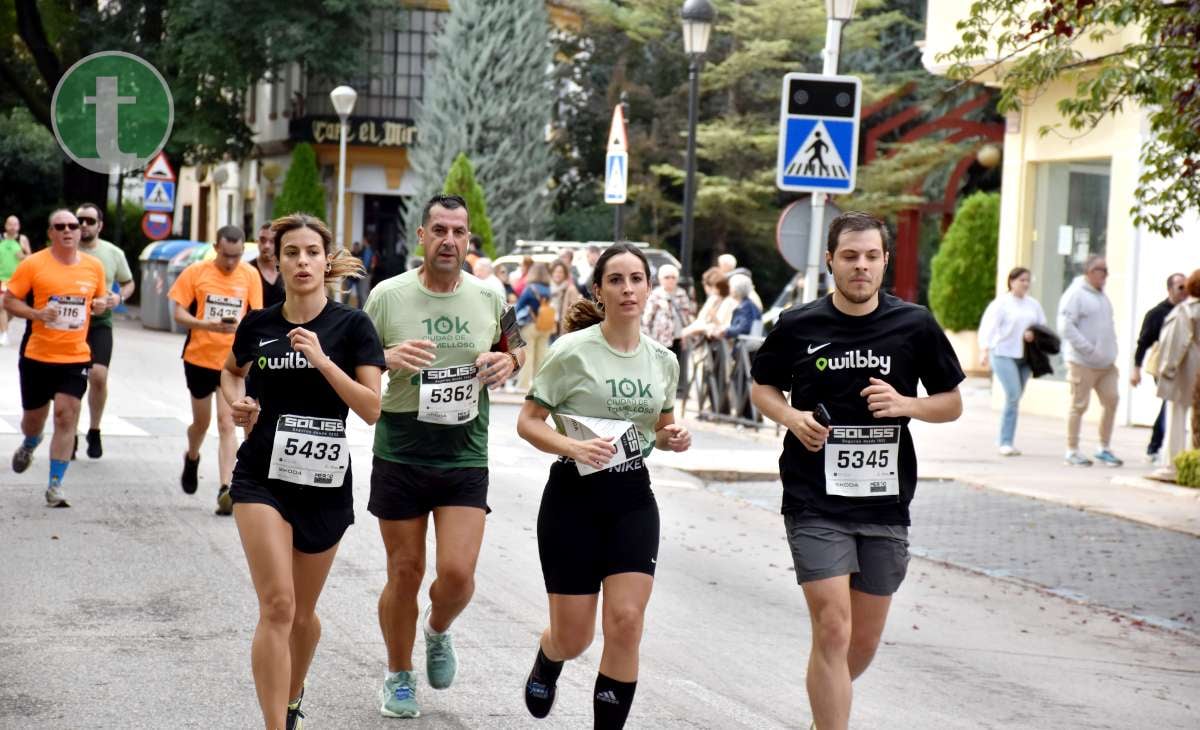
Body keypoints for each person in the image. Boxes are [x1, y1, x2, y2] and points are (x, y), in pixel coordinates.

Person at [749, 211, 964, 730]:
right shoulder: (799, 325)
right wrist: (792, 417)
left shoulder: (914, 324)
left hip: (885, 502)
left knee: (860, 645)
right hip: (814, 498)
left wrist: (905, 405)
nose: (860, 266)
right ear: (830, 261)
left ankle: (824, 713)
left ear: (885, 261)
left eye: (871, 256)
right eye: (850, 256)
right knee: (833, 628)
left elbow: (952, 402)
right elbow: (762, 388)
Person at [516, 243, 691, 729]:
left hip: (632, 499)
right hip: (573, 499)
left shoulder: (663, 360)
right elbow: (528, 422)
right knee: (575, 638)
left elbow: (659, 429)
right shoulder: (571, 351)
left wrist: (673, 437)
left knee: (626, 623)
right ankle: (550, 656)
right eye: (616, 280)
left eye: (637, 279)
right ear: (599, 290)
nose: (627, 289)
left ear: (649, 289)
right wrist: (572, 448)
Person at [221, 213, 384, 730]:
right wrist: (240, 403)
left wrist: (322, 360)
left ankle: (291, 697)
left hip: (323, 483)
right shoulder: (259, 325)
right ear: (278, 260)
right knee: (277, 604)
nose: (302, 261)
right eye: (291, 252)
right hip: (261, 476)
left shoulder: (353, 327)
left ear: (325, 260)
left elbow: (371, 408)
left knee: (303, 619)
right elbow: (229, 375)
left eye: (312, 252)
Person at [363, 194, 522, 719]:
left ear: (468, 240)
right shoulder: (387, 296)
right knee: (404, 573)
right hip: (402, 450)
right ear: (421, 238)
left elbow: (517, 348)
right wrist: (384, 357)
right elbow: (356, 363)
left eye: (459, 232)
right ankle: (398, 674)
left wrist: (506, 362)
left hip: (463, 453)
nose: (450, 240)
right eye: (440, 230)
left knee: (456, 575)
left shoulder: (490, 297)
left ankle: (437, 629)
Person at [4, 210, 108, 507]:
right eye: (60, 226)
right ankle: (30, 442)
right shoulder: (33, 264)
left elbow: (98, 303)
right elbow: (9, 300)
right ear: (50, 232)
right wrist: (37, 313)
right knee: (32, 421)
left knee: (66, 415)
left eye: (73, 226)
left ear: (79, 232)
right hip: (38, 355)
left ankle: (55, 485)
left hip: (75, 356)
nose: (68, 231)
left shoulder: (94, 267)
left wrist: (102, 304)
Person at [169, 225, 264, 513]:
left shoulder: (250, 275)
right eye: (226, 255)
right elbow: (178, 312)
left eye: (237, 256)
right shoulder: (196, 272)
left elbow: (257, 315)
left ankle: (226, 488)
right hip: (199, 358)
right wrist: (205, 325)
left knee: (227, 423)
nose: (232, 262)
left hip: (232, 364)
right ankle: (192, 456)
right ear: (215, 247)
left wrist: (244, 330)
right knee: (201, 423)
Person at [75, 202, 135, 459]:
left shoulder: (112, 253)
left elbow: (128, 282)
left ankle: (94, 429)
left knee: (98, 376)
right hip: (72, 326)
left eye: (89, 221)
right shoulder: (66, 250)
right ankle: (71, 434)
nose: (83, 225)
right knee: (74, 380)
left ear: (100, 225)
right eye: (80, 220)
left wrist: (118, 299)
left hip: (100, 323)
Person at [1058, 255, 1122, 467]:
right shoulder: (1076, 294)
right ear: (1089, 271)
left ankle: (1104, 447)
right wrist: (1088, 349)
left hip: (1106, 364)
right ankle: (1072, 450)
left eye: (1106, 270)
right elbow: (1065, 327)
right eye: (1101, 270)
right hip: (1082, 362)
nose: (1105, 274)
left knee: (1112, 400)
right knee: (1079, 405)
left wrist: (1110, 351)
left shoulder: (1103, 297)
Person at [977, 267, 1047, 456]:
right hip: (1002, 354)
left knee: (1015, 399)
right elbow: (988, 327)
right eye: (1022, 280)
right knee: (1013, 395)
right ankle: (1005, 441)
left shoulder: (1033, 305)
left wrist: (1034, 334)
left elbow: (1043, 326)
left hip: (1025, 357)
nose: (1025, 283)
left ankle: (1006, 439)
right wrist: (983, 350)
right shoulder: (1002, 304)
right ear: (1012, 281)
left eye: (1028, 280)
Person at [1132, 273, 1188, 463]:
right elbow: (1143, 342)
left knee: (1172, 406)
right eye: (1180, 287)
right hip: (1164, 366)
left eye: (1187, 286)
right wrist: (1136, 369)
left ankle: (1163, 447)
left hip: (1185, 367)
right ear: (1170, 289)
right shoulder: (1158, 313)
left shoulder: (1188, 310)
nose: (1184, 291)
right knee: (1169, 404)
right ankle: (1155, 447)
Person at [1152, 269, 1200, 482]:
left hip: (1186, 368)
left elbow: (1175, 342)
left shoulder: (1186, 310)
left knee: (1176, 415)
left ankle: (1173, 465)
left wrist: (1166, 369)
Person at [641, 264, 694, 383]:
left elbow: (687, 314)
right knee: (661, 365)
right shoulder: (656, 294)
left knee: (675, 363)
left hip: (678, 336)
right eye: (667, 277)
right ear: (660, 279)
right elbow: (647, 317)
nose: (670, 280)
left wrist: (687, 332)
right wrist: (646, 337)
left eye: (673, 277)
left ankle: (674, 389)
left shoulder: (682, 293)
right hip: (660, 337)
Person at [515, 262, 554, 392]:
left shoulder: (530, 289)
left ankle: (523, 385)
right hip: (545, 326)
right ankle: (540, 386)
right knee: (541, 356)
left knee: (527, 355)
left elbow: (519, 306)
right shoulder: (549, 289)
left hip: (530, 325)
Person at [0, 217, 30, 346]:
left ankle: (3, 327)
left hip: (17, 279)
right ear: (6, 225)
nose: (12, 227)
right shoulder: (1, 238)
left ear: (19, 226)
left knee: (10, 310)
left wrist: (23, 256)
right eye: (10, 224)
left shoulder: (22, 239)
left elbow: (30, 257)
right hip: (2, 278)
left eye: (15, 224)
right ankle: (4, 334)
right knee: (1, 305)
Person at [252, 223, 285, 308]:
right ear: (257, 241)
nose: (266, 245)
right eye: (262, 240)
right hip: (255, 320)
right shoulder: (248, 269)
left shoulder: (287, 269)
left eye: (272, 241)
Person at [548, 259, 582, 339]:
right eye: (555, 271)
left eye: (560, 272)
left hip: (563, 330)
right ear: (551, 273)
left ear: (565, 274)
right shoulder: (547, 289)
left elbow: (577, 311)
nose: (557, 274)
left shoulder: (571, 289)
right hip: (548, 328)